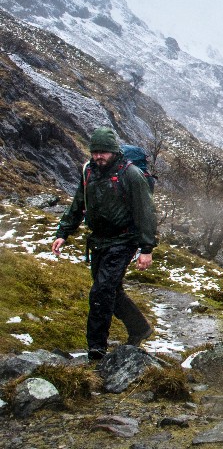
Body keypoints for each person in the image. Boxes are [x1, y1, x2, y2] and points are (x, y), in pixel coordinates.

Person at [51, 127, 156, 360]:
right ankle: (139, 328)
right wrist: (63, 232)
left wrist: (146, 249)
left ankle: (96, 348)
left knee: (101, 292)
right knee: (111, 290)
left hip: (123, 240)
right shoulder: (89, 171)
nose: (99, 156)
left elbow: (146, 212)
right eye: (95, 152)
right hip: (98, 240)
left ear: (114, 152)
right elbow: (78, 202)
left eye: (104, 152)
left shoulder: (130, 174)